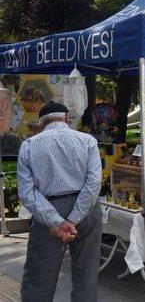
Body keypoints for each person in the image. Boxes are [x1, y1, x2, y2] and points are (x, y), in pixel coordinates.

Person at [18, 102, 102, 301]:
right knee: (87, 273)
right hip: (87, 210)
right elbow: (93, 182)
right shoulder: (87, 140)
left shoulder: (29, 145)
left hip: (46, 210)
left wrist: (56, 221)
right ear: (65, 118)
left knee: (39, 276)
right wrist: (73, 220)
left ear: (41, 123)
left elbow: (27, 192)